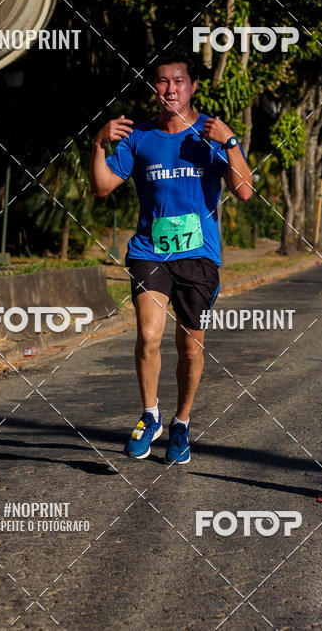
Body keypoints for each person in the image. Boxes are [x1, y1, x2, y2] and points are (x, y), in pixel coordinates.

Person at [89, 44, 253, 464]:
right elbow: (103, 186)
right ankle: (150, 416)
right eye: (162, 81)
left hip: (199, 257)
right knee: (147, 336)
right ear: (153, 87)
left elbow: (244, 191)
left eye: (178, 81)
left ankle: (180, 424)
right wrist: (98, 143)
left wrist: (231, 142)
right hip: (150, 251)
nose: (170, 89)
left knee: (191, 349)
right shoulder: (140, 137)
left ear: (192, 87)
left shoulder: (210, 135)